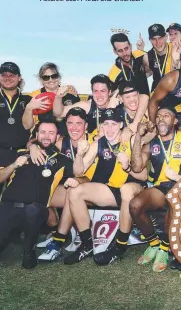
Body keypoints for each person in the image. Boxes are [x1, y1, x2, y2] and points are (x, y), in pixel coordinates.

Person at [63, 108, 147, 265]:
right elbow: (78, 171)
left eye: (114, 124)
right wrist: (80, 154)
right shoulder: (98, 144)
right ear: (101, 125)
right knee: (74, 192)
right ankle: (87, 244)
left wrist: (127, 167)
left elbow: (144, 176)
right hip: (110, 191)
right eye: (106, 124)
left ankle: (119, 247)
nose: (109, 129)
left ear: (121, 124)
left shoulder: (130, 140)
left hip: (134, 188)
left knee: (126, 189)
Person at [129, 106, 181, 272]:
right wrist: (137, 136)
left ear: (175, 121)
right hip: (160, 188)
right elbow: (136, 167)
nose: (161, 119)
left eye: (166, 115)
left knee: (174, 197)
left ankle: (165, 249)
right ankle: (154, 244)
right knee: (135, 204)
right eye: (158, 116)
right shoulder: (152, 144)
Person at [0, 118, 76, 269]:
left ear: (57, 137)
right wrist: (14, 165)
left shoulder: (63, 161)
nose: (46, 136)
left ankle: (29, 249)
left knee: (32, 210)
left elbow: (78, 177)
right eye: (43, 132)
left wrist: (74, 181)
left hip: (35, 210)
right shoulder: (19, 154)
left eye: (51, 133)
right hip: (7, 208)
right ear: (36, 135)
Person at [32, 107, 94, 261]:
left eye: (79, 123)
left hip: (93, 187)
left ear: (86, 125)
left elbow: (88, 178)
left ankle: (58, 241)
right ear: (65, 125)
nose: (74, 127)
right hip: (71, 187)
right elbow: (40, 140)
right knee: (40, 191)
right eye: (70, 123)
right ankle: (58, 231)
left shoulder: (95, 140)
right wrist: (32, 146)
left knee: (73, 190)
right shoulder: (61, 143)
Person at [53, 74, 119, 139]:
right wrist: (58, 97)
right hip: (91, 145)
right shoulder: (87, 106)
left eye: (103, 91)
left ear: (109, 92)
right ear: (92, 92)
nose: (99, 95)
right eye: (95, 91)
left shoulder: (117, 104)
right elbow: (59, 113)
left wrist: (112, 109)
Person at [23, 62, 79, 137]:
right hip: (43, 140)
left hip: (67, 139)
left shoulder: (70, 93)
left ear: (59, 77)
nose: (50, 80)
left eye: (54, 76)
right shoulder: (34, 96)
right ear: (41, 80)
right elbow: (27, 126)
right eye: (46, 77)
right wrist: (29, 108)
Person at [108, 33, 150, 132]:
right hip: (131, 113)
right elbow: (112, 96)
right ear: (115, 52)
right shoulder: (113, 74)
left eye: (126, 48)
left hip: (147, 106)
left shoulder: (140, 55)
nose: (125, 53)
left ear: (130, 46)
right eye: (120, 51)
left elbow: (151, 71)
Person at [0, 62, 32, 171]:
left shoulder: (28, 100)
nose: (8, 78)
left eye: (12, 75)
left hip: (21, 154)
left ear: (19, 78)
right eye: (4, 75)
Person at [140, 23, 175, 92]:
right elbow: (145, 74)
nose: (158, 42)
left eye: (160, 38)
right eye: (154, 39)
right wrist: (140, 52)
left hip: (175, 92)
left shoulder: (176, 49)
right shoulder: (147, 57)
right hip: (156, 93)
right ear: (150, 40)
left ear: (166, 37)